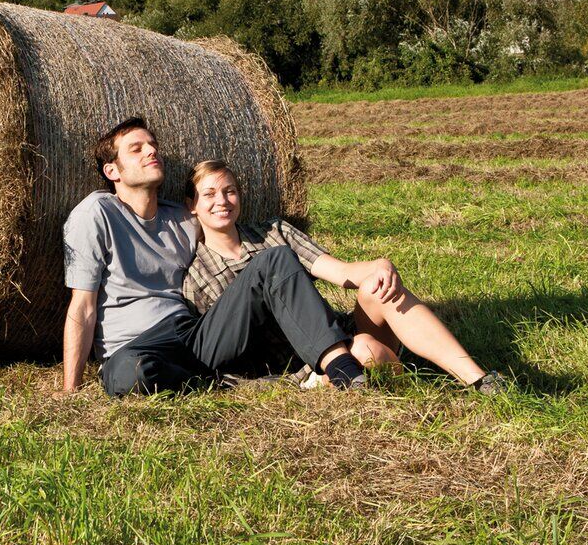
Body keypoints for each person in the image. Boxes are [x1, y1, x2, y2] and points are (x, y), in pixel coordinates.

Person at [60, 117, 363, 396]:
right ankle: (225, 383)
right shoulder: (96, 213)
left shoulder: (182, 218)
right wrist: (70, 389)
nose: (151, 151)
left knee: (275, 260)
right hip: (135, 347)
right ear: (111, 171)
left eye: (153, 146)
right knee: (131, 375)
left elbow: (225, 222)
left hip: (193, 334)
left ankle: (345, 372)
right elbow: (83, 306)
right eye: (136, 149)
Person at [181, 158, 507, 394]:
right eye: (209, 194)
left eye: (230, 191)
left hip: (334, 333)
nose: (222, 201)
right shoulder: (196, 276)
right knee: (367, 350)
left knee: (377, 289)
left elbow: (338, 271)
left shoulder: (273, 232)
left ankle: (478, 379)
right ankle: (401, 378)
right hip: (295, 362)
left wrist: (378, 266)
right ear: (192, 206)